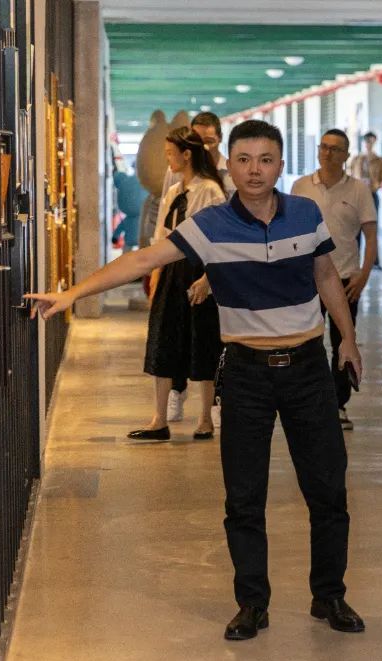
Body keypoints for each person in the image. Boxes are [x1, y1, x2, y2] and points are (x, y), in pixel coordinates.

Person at [27, 120, 366, 641]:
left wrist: (347, 338)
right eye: (244, 160)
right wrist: (72, 294)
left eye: (266, 160)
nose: (255, 170)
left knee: (327, 489)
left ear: (280, 165)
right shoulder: (211, 224)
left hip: (307, 369)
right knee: (243, 497)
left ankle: (330, 595)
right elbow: (143, 259)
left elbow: (324, 275)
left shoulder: (304, 213)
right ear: (230, 164)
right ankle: (252, 603)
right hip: (247, 372)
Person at [127, 127, 225, 442]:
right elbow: (160, 237)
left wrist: (208, 279)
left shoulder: (210, 191)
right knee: (163, 340)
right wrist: (155, 278)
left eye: (171, 153)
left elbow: (220, 241)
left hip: (199, 270)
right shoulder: (172, 192)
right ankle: (159, 419)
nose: (167, 158)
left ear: (187, 154)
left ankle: (205, 418)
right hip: (170, 270)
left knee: (203, 342)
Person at [292, 129, 378, 431]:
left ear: (346, 155)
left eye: (335, 149)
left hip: (345, 280)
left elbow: (371, 236)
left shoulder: (358, 190)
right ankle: (309, 401)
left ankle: (338, 404)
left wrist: (364, 274)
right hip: (306, 280)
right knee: (307, 343)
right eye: (324, 147)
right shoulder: (301, 186)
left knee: (343, 342)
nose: (327, 153)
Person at [161, 111, 235, 425]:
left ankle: (215, 400)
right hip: (177, 265)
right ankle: (177, 391)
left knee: (209, 337)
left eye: (210, 140)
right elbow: (166, 221)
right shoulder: (175, 180)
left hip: (214, 265)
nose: (204, 146)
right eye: (198, 139)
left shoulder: (226, 176)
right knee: (175, 333)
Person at [348, 131, 382, 268]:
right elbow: (349, 175)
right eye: (367, 141)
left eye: (371, 141)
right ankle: (355, 260)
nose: (369, 144)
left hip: (372, 195)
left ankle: (374, 261)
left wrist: (375, 185)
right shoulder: (356, 159)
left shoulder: (379, 160)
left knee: (372, 229)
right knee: (355, 229)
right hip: (357, 196)